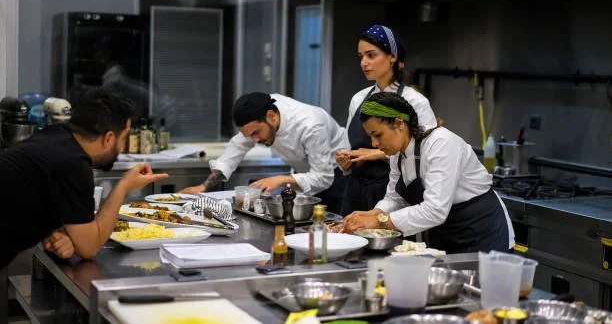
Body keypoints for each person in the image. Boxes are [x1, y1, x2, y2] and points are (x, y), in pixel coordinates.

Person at [0, 87, 168, 269]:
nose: (121, 146)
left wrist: (59, 233)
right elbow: (90, 248)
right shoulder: (72, 163)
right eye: (124, 137)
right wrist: (123, 186)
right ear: (109, 138)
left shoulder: (56, 136)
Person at [343, 92, 514, 253]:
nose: (374, 144)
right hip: (446, 233)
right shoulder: (398, 153)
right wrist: (373, 213)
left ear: (399, 124)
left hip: (482, 232)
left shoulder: (441, 144)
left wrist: (380, 222)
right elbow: (395, 198)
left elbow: (435, 210)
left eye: (377, 135)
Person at [180, 92, 349, 214]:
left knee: (329, 228)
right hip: (305, 174)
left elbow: (324, 177)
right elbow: (236, 148)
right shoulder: (261, 115)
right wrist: (203, 187)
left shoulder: (311, 126)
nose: (254, 140)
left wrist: (281, 179)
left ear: (272, 117)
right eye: (249, 135)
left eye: (256, 133)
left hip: (338, 174)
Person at [336, 24, 438, 215]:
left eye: (371, 55)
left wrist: (377, 154)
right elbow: (349, 146)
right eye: (361, 56)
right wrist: (346, 162)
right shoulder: (358, 99)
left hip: (392, 195)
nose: (364, 63)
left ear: (392, 57)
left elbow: (426, 155)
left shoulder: (415, 101)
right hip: (355, 192)